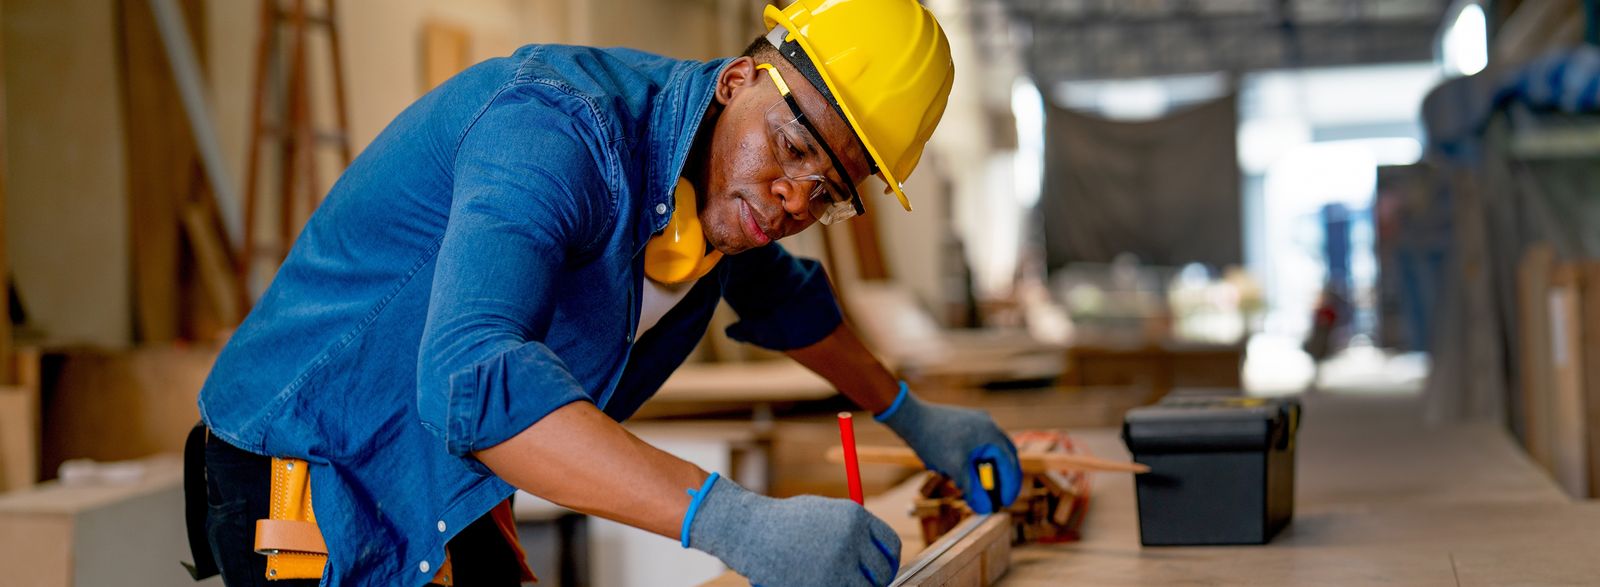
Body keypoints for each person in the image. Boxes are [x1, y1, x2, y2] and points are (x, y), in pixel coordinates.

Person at [188, 1, 1021, 585]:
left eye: (833, 188)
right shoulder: (555, 132)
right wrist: (738, 523)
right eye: (794, 144)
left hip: (444, 463)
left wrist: (909, 414)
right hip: (311, 458)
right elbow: (474, 379)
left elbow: (784, 299)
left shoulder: (722, 192)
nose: (797, 197)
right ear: (738, 80)